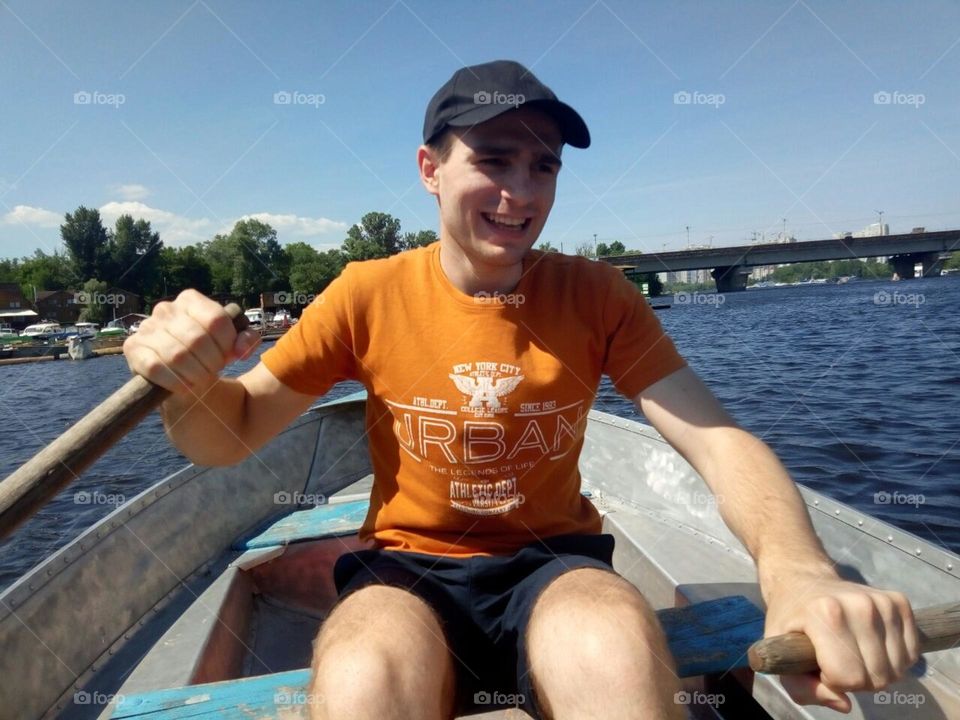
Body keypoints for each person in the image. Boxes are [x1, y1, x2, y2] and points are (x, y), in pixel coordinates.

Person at [124, 60, 919, 720]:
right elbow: (225, 436)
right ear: (431, 170)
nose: (524, 192)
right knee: (364, 672)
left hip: (555, 564)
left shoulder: (598, 294)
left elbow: (716, 441)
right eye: (495, 160)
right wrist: (187, 384)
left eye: (544, 166)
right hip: (406, 569)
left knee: (612, 645)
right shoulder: (365, 294)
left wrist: (797, 572)